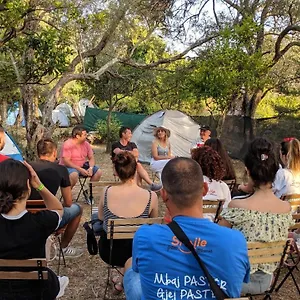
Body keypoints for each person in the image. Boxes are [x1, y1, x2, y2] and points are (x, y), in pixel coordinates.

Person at [123, 157, 250, 300]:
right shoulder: (236, 240)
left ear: (164, 195)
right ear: (204, 189)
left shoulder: (145, 236)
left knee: (130, 265)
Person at [219, 137, 294, 295]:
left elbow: (218, 243)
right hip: (266, 281)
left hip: (234, 281)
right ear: (274, 171)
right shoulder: (286, 209)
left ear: (247, 170)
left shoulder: (237, 206)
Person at [0, 159, 69, 299]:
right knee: (52, 278)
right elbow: (58, 208)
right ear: (28, 186)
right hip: (36, 292)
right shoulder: (41, 221)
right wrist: (39, 185)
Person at [98, 151, 158, 293]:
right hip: (138, 252)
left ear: (116, 172)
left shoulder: (106, 191)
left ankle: (123, 279)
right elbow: (152, 224)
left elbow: (100, 217)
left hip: (110, 252)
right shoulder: (151, 196)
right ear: (136, 169)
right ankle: (125, 279)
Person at [29, 139, 83, 258]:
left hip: (25, 216)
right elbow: (68, 202)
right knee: (77, 209)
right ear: (54, 152)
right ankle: (63, 248)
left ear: (38, 153)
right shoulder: (60, 169)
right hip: (48, 217)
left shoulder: (27, 167)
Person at [111, 126, 161, 191]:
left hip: (131, 166)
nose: (131, 135)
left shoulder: (132, 144)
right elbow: (118, 152)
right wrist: (131, 153)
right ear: (123, 134)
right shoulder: (115, 144)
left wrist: (125, 152)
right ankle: (145, 186)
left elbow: (136, 153)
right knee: (137, 166)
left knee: (137, 166)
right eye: (129, 133)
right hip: (120, 167)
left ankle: (148, 185)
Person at [59, 125, 102, 190]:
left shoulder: (86, 144)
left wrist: (90, 168)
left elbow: (91, 158)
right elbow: (66, 161)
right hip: (68, 167)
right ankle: (67, 193)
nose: (86, 136)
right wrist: (79, 169)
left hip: (82, 166)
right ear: (77, 136)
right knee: (74, 175)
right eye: (84, 135)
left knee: (98, 172)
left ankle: (89, 191)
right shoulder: (68, 144)